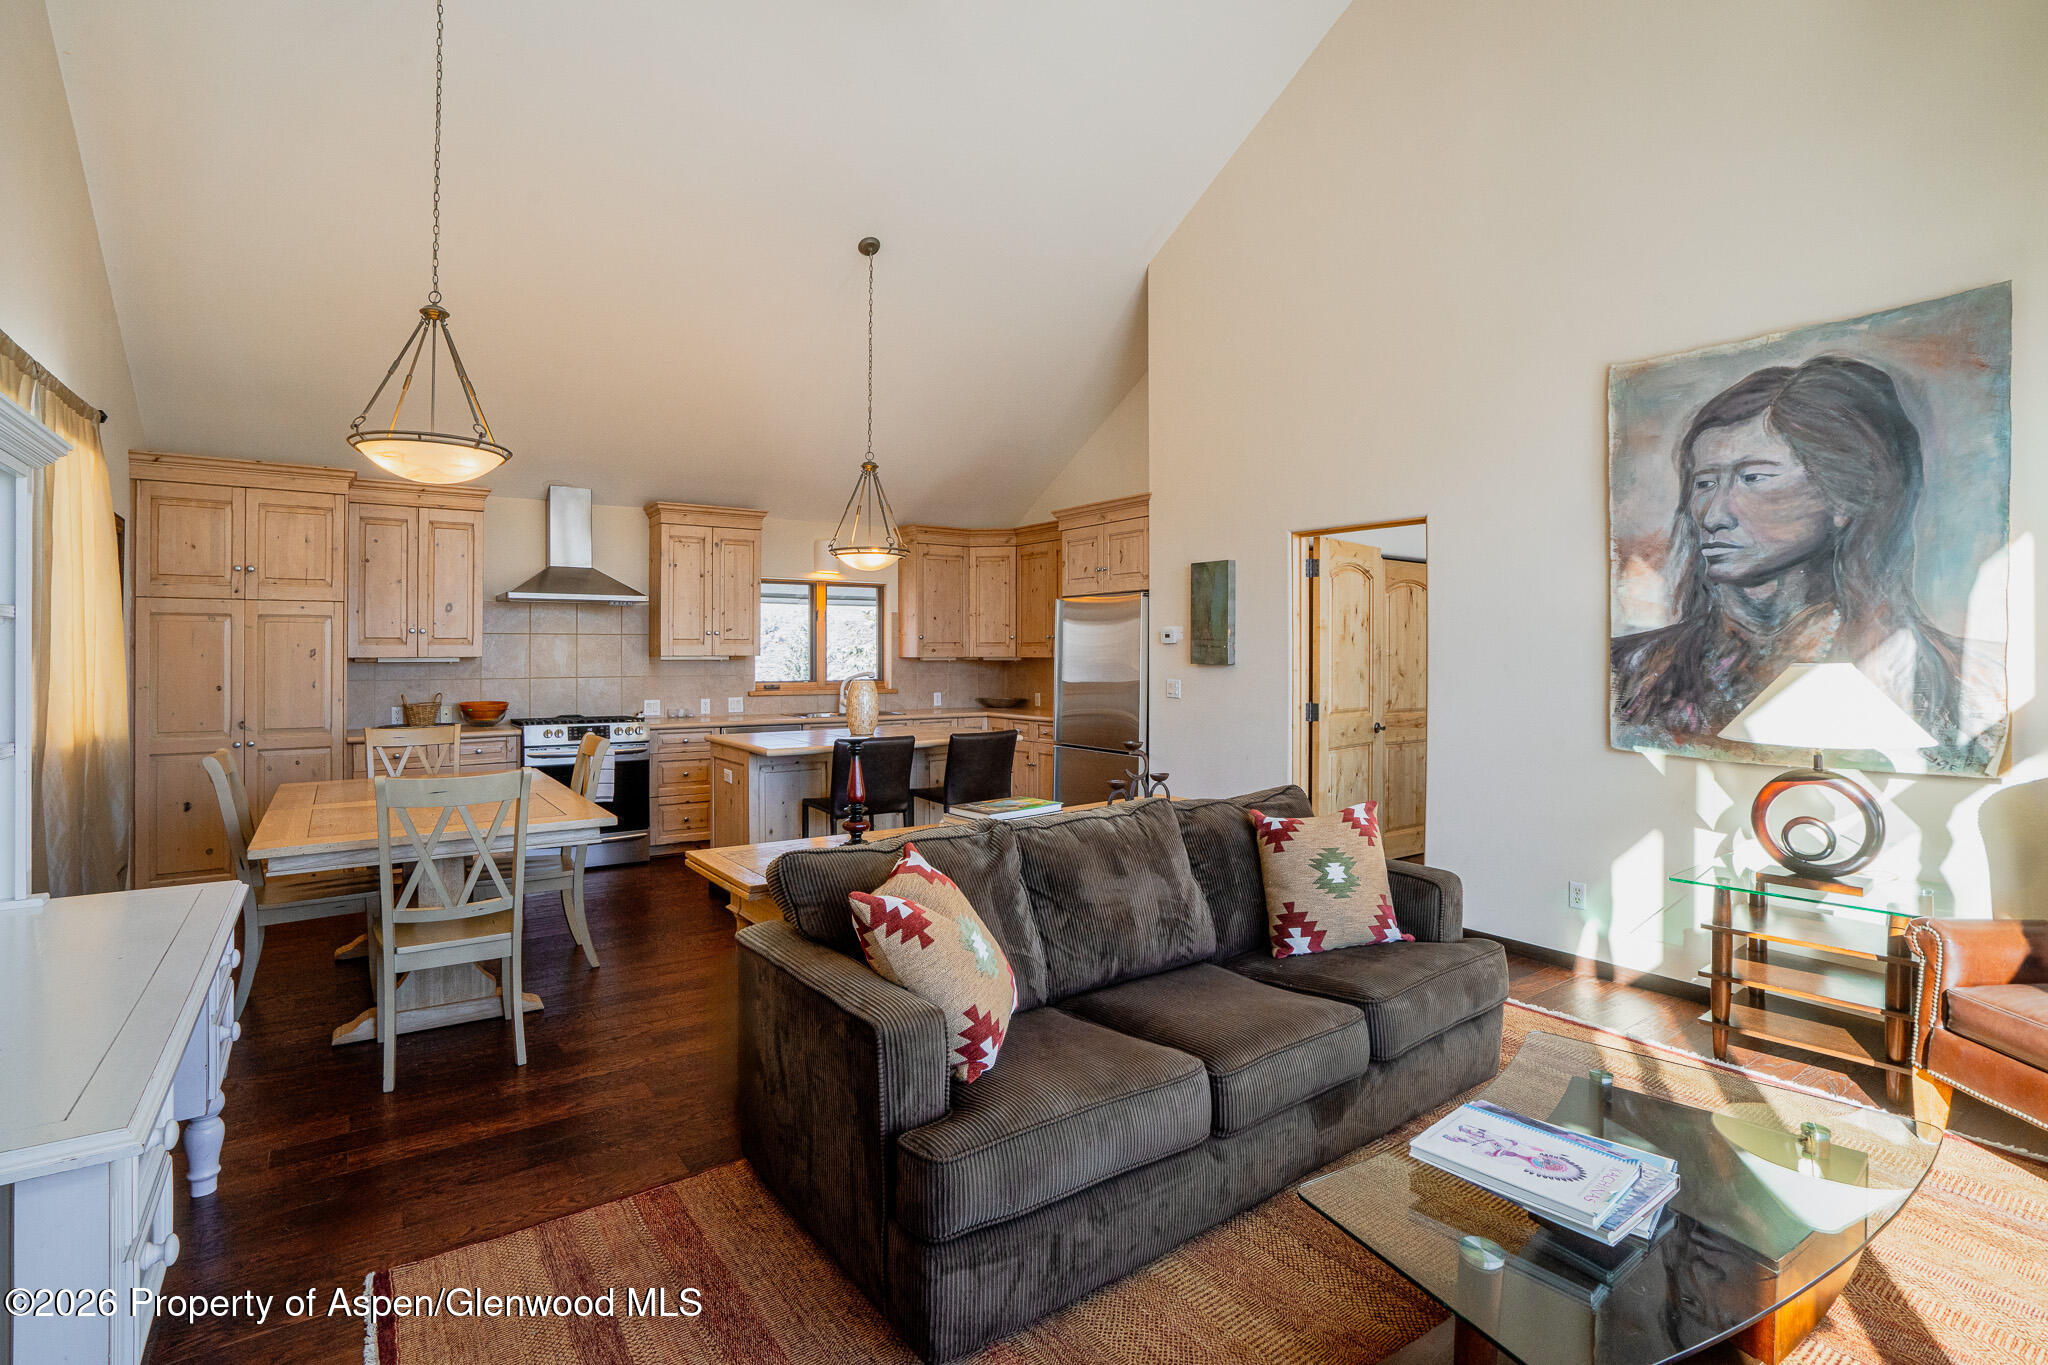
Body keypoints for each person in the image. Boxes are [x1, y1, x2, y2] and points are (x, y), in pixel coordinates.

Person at [1611, 354, 1989, 769]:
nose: (1713, 516)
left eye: (1753, 477)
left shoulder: (1954, 679)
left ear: (1843, 496)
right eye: (1704, 483)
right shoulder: (1629, 669)